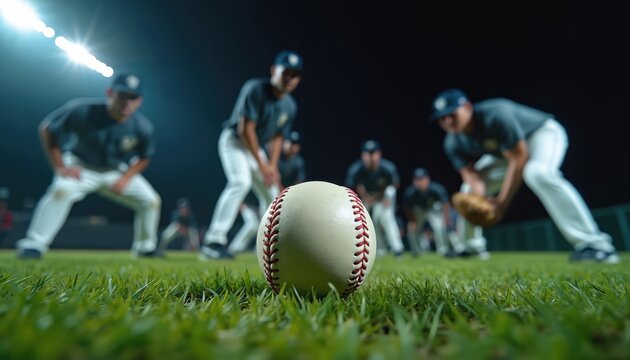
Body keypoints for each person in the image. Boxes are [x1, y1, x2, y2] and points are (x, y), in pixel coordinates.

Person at [429, 89, 619, 263]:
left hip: (540, 135)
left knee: (537, 173)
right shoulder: (452, 142)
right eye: (441, 118)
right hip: (507, 154)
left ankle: (596, 245)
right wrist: (480, 197)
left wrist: (501, 203)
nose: (447, 121)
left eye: (452, 114)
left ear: (467, 107)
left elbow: (519, 158)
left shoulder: (495, 114)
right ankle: (471, 248)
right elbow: (472, 177)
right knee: (468, 190)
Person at [15, 73, 161, 259]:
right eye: (122, 95)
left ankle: (145, 248)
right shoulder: (82, 109)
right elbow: (48, 128)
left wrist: (126, 178)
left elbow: (144, 157)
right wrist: (60, 166)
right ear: (110, 93)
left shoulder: (142, 126)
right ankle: (34, 245)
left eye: (132, 97)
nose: (126, 102)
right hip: (80, 166)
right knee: (62, 190)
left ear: (139, 101)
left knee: (150, 200)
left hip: (115, 171)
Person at [200, 50, 303, 260]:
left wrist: (272, 167)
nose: (290, 79)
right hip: (235, 142)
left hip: (256, 149)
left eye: (295, 75)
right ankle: (213, 240)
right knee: (241, 182)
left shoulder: (290, 105)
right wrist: (263, 165)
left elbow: (276, 139)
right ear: (274, 70)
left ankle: (271, 245)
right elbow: (245, 130)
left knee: (273, 193)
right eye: (286, 72)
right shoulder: (255, 88)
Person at [345, 140, 405, 256]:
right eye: (368, 153)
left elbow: (394, 184)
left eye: (373, 153)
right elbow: (353, 186)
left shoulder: (387, 167)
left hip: (383, 195)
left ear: (379, 154)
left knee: (386, 217)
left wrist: (384, 198)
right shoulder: (357, 168)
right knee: (370, 221)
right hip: (366, 196)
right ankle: (380, 248)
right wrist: (365, 197)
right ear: (363, 155)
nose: (371, 156)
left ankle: (397, 248)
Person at [402, 168, 463, 257]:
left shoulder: (436, 189)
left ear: (427, 179)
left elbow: (445, 205)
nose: (420, 182)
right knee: (412, 229)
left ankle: (443, 250)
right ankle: (416, 251)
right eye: (417, 179)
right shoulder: (410, 192)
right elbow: (407, 208)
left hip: (434, 209)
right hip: (419, 211)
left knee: (439, 226)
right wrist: (412, 220)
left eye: (422, 179)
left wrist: (447, 219)